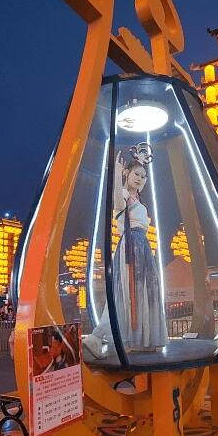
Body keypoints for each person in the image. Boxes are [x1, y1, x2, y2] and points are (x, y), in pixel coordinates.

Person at [84, 148, 167, 358]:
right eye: (136, 174)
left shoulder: (137, 199)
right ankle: (98, 336)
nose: (140, 178)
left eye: (143, 176)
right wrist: (116, 177)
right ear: (127, 174)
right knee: (125, 293)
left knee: (143, 291)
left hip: (142, 247)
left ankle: (141, 339)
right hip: (130, 247)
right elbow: (118, 205)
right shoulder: (122, 194)